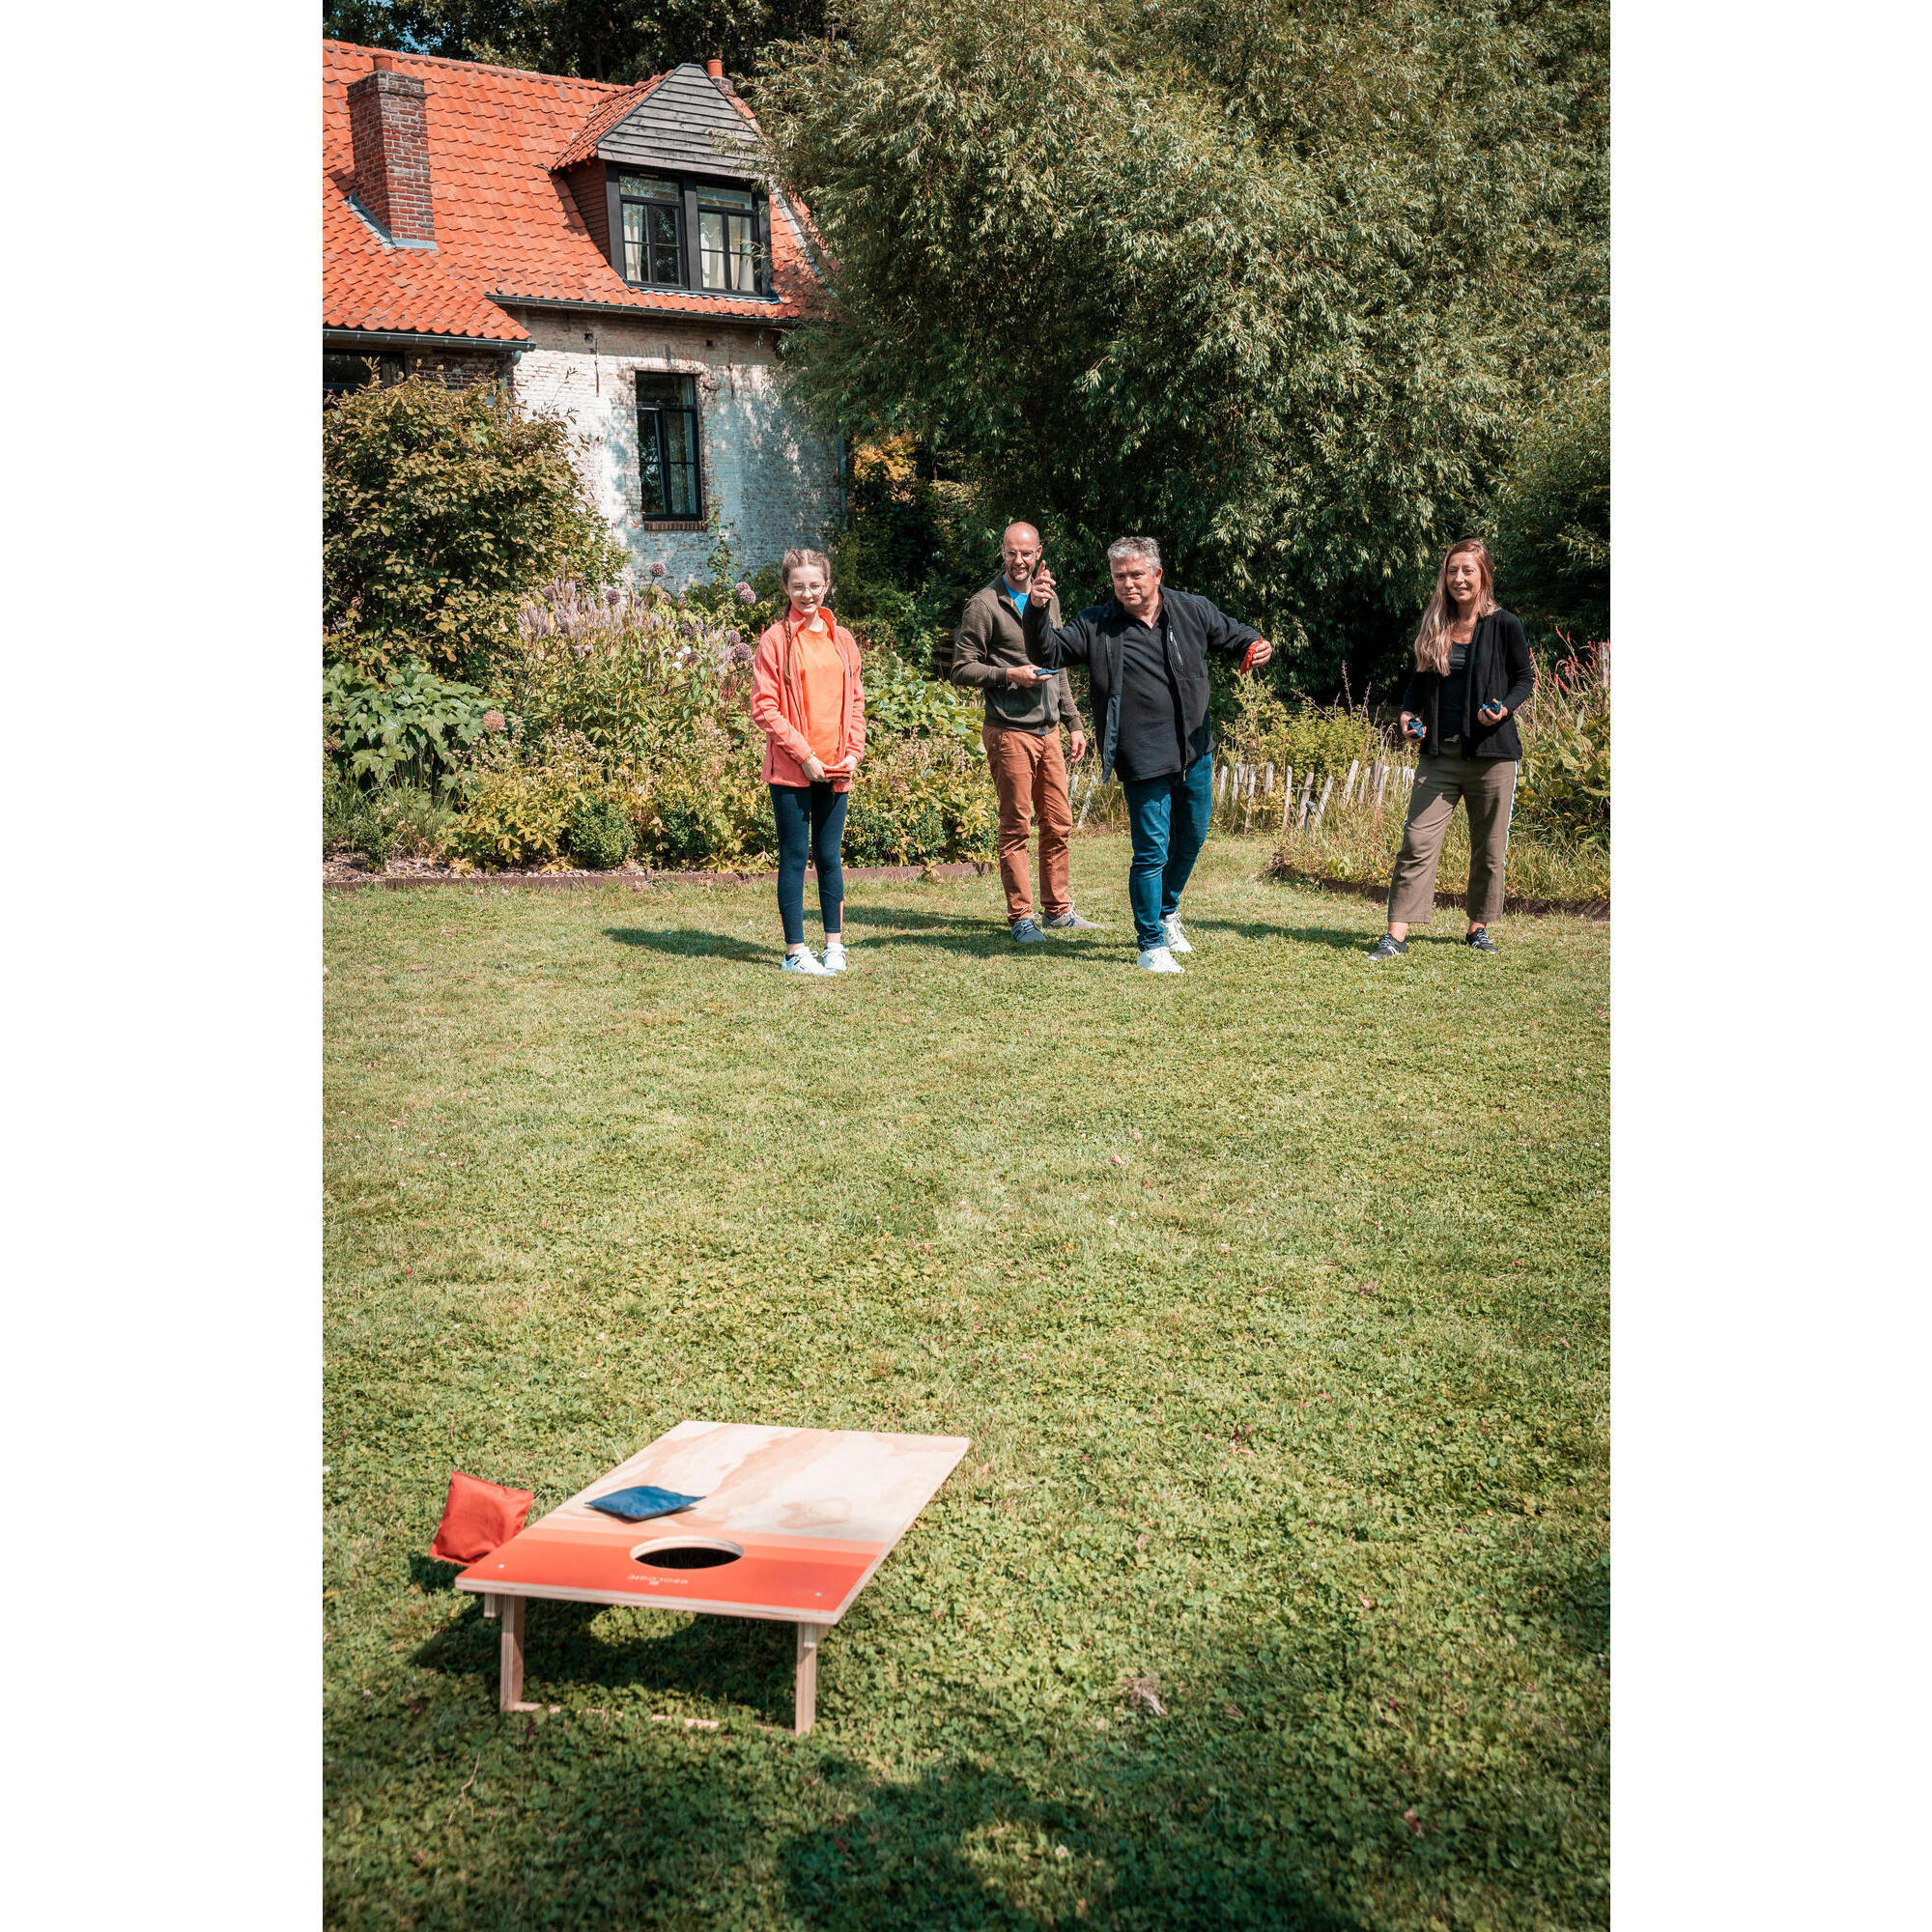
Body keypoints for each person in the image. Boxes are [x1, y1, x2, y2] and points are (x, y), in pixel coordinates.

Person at [1023, 537, 1272, 973]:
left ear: (1157, 575)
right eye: (1119, 576)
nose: (1127, 584)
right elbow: (1047, 652)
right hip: (1141, 756)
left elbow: (1235, 635)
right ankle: (1150, 944)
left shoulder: (1191, 610)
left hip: (1194, 749)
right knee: (1151, 851)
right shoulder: (1097, 624)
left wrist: (1257, 644)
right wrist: (1037, 610)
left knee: (1192, 838)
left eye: (1136, 574)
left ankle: (1167, 911)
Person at [1370, 538, 1535, 959]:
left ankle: (1477, 928)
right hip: (1439, 755)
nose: (1459, 578)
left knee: (1489, 849)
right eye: (1452, 570)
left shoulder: (1505, 625)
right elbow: (1418, 685)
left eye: (1468, 570)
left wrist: (1504, 710)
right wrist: (1408, 715)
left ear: (1484, 575)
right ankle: (1396, 935)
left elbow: (1524, 679)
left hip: (1493, 755)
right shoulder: (1435, 624)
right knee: (1416, 841)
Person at [949, 522, 1099, 943]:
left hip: (1049, 730)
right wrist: (1009, 674)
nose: (1019, 561)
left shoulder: (1046, 600)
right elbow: (961, 669)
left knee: (1058, 823)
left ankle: (1059, 911)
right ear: (1002, 552)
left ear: (1039, 554)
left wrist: (1073, 721)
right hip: (1009, 730)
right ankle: (1022, 918)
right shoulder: (983, 605)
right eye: (1012, 553)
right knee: (1016, 825)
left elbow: (1060, 663)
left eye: (1027, 553)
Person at [749, 548, 867, 977]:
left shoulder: (843, 638)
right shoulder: (775, 640)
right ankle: (795, 951)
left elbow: (856, 700)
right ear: (785, 587)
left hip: (836, 768)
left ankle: (834, 946)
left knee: (830, 855)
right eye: (798, 586)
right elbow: (764, 707)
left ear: (826, 585)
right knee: (796, 856)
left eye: (815, 585)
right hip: (794, 770)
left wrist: (853, 751)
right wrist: (806, 756)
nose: (807, 593)